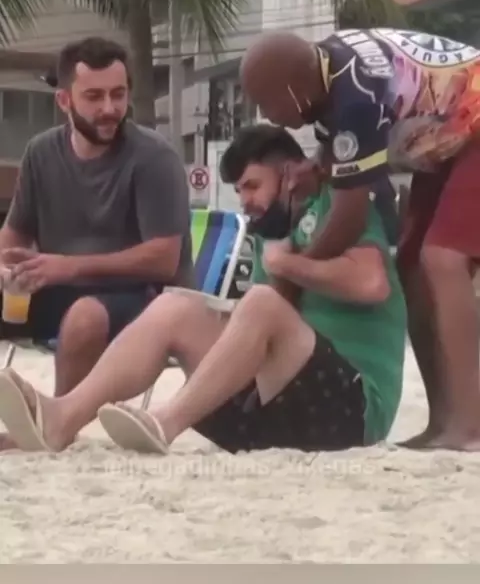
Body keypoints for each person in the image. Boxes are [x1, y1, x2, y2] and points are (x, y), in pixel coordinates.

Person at [0, 124, 406, 456]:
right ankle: (61, 419)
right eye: (240, 191)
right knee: (174, 307)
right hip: (280, 411)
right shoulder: (271, 237)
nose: (245, 202)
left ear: (287, 175)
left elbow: (372, 283)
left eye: (252, 186)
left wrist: (287, 265)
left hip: (353, 411)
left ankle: (165, 422)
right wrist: (278, 264)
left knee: (260, 302)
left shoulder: (339, 206)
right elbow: (272, 327)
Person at [240, 27, 480, 451]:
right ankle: (443, 420)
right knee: (411, 267)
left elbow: (348, 218)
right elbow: (350, 154)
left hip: (471, 125)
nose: (267, 116)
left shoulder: (356, 97)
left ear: (293, 89)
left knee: (443, 259)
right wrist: (319, 166)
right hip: (448, 139)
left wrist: (296, 271)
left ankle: (471, 424)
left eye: (267, 102)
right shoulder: (326, 78)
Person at [0, 36, 193, 425]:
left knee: (85, 315)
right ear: (64, 100)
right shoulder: (40, 152)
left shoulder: (153, 157)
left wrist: (68, 266)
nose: (109, 108)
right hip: (55, 291)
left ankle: (56, 425)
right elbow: (15, 233)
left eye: (118, 94)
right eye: (94, 96)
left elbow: (163, 259)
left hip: (140, 299)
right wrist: (6, 268)